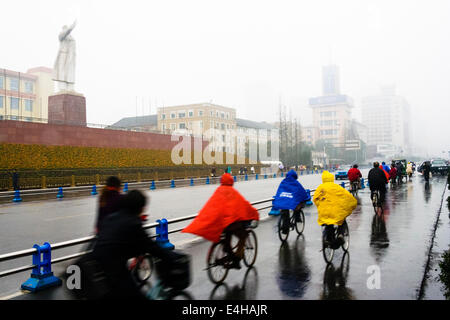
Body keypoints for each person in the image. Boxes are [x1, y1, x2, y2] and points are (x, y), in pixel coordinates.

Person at [91, 190, 177, 299]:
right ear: (140, 207)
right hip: (113, 270)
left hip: (95, 267)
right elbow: (152, 247)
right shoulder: (133, 223)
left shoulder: (112, 217)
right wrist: (172, 257)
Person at [182, 173, 259, 269]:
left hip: (221, 224)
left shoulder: (218, 191)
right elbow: (244, 205)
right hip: (231, 223)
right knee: (243, 236)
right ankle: (236, 260)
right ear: (231, 181)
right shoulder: (232, 192)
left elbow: (211, 206)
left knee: (227, 238)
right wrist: (255, 214)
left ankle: (228, 253)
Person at [313, 171, 357, 246]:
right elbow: (348, 197)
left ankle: (328, 239)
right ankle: (340, 235)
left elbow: (315, 199)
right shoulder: (337, 187)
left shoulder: (320, 188)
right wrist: (352, 205)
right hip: (336, 212)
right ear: (332, 178)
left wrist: (321, 205)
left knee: (328, 222)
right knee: (341, 220)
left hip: (324, 212)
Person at [272, 169, 311, 234]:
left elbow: (279, 191)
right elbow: (302, 192)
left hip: (282, 200)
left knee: (285, 211)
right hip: (291, 202)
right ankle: (297, 218)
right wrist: (307, 197)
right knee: (298, 205)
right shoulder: (295, 183)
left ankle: (285, 228)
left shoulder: (283, 182)